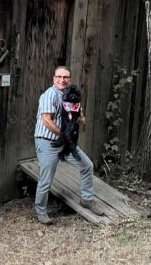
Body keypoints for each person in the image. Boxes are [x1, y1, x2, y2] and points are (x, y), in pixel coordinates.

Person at [34, 66, 105, 224]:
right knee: (46, 179)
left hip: (67, 143)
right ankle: (41, 211)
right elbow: (47, 120)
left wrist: (81, 119)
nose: (62, 80)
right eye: (58, 76)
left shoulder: (72, 95)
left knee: (87, 165)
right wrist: (64, 135)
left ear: (70, 80)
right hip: (48, 142)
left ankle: (87, 200)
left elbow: (82, 117)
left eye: (65, 77)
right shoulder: (49, 95)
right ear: (54, 79)